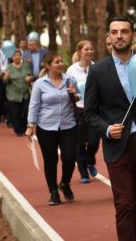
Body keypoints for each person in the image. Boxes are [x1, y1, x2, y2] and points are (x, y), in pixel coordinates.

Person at [83, 15, 136, 240]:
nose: (119, 36)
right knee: (124, 203)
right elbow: (89, 113)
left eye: (124, 31)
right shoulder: (98, 70)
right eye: (114, 32)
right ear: (109, 36)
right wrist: (106, 129)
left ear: (132, 35)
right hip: (117, 145)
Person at [26, 51, 78, 206]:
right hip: (46, 127)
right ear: (47, 66)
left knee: (69, 157)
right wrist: (30, 125)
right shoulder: (40, 84)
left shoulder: (70, 80)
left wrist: (74, 94)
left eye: (61, 61)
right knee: (50, 160)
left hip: (68, 125)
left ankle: (65, 183)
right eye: (57, 62)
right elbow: (34, 105)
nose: (61, 64)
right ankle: (53, 192)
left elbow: (78, 98)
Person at [66, 40, 99, 184]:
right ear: (79, 52)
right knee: (79, 142)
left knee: (93, 141)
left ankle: (90, 160)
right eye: (86, 49)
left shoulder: (97, 68)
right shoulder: (71, 70)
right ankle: (83, 171)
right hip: (77, 109)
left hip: (94, 109)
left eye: (91, 49)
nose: (90, 52)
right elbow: (68, 90)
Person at [4, 49, 33, 136]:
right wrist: (7, 77)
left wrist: (29, 78)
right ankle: (17, 130)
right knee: (16, 113)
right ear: (12, 57)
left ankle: (24, 128)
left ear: (21, 56)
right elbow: (5, 81)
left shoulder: (26, 65)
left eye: (18, 55)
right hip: (13, 94)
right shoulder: (9, 67)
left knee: (26, 111)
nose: (17, 57)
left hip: (25, 93)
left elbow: (30, 76)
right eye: (15, 55)